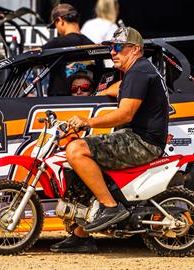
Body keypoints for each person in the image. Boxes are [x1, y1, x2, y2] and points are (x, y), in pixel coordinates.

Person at [50, 27, 170, 253]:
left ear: (134, 50)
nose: (112, 53)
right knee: (83, 168)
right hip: (137, 138)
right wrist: (97, 94)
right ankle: (81, 235)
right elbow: (121, 88)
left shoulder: (139, 72)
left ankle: (110, 207)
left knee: (77, 150)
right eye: (110, 48)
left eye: (117, 48)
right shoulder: (138, 71)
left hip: (142, 142)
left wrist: (87, 122)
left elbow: (125, 114)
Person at [42, 4, 93, 96]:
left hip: (59, 104)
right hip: (90, 105)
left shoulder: (55, 44)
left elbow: (34, 56)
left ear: (60, 21)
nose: (57, 30)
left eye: (55, 25)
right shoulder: (93, 45)